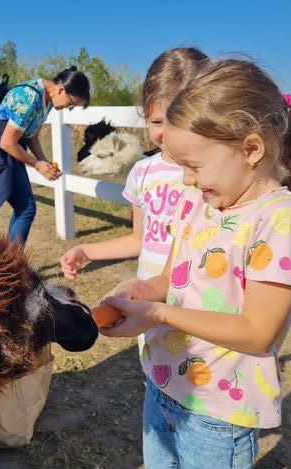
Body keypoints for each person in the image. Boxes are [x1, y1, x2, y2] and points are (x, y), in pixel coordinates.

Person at [101, 59, 291, 469]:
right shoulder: (200, 202)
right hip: (163, 386)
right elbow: (176, 277)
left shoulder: (279, 218)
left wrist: (159, 314)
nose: (184, 180)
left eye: (194, 166)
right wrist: (146, 291)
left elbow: (258, 331)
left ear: (251, 149)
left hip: (218, 413)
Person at [60, 48, 209, 358]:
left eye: (180, 120)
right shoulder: (144, 173)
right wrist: (87, 251)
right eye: (157, 121)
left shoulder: (211, 175)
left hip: (197, 305)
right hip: (147, 301)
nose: (167, 133)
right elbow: (140, 239)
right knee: (155, 369)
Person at [0, 67, 90, 243]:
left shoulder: (48, 100)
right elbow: (7, 142)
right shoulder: (29, 98)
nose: (69, 108)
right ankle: (12, 263)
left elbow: (32, 137)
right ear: (61, 89)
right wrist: (37, 164)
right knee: (26, 208)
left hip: (9, 146)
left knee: (25, 207)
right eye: (71, 104)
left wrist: (44, 162)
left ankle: (10, 261)